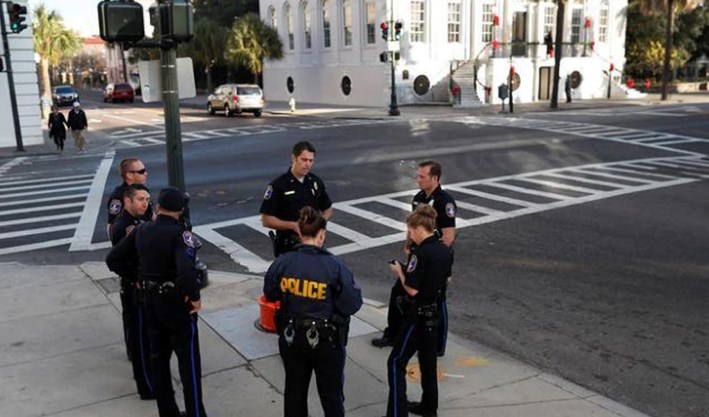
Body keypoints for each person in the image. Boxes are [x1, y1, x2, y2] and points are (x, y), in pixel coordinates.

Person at [106, 188, 208, 417]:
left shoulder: (141, 230)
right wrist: (195, 298)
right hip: (176, 306)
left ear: (158, 207)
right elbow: (186, 273)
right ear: (181, 211)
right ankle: (195, 413)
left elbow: (113, 259)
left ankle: (167, 411)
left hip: (150, 303)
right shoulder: (181, 235)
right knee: (189, 364)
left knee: (159, 361)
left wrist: (136, 279)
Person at [263, 206, 362, 417]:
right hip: (327, 340)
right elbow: (352, 304)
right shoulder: (335, 266)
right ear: (322, 235)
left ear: (299, 232)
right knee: (332, 397)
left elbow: (270, 295)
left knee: (294, 394)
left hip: (292, 339)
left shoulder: (282, 262)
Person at [372, 161, 456, 357]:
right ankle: (393, 334)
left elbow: (448, 236)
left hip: (434, 259)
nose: (417, 179)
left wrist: (438, 262)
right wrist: (408, 244)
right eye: (418, 175)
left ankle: (437, 345)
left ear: (435, 178)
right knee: (398, 292)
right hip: (417, 256)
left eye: (422, 176)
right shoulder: (418, 198)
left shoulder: (445, 201)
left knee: (437, 301)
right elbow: (412, 224)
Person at [383, 205, 453, 417]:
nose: (410, 235)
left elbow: (412, 289)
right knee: (428, 364)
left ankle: (396, 412)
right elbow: (446, 278)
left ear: (419, 228)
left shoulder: (420, 253)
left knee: (396, 362)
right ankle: (429, 408)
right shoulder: (444, 250)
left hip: (418, 317)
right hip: (435, 314)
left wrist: (399, 271)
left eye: (411, 231)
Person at [109, 184, 154, 400]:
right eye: (140, 199)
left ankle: (150, 377)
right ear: (128, 201)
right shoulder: (122, 226)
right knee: (139, 342)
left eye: (147, 199)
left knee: (147, 338)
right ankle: (146, 386)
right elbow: (115, 259)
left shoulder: (142, 220)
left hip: (144, 289)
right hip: (134, 292)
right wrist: (134, 279)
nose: (145, 203)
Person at [260, 141, 333, 257]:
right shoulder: (279, 185)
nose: (308, 164)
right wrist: (293, 226)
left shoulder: (315, 182)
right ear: (294, 158)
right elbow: (266, 219)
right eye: (304, 160)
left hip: (314, 246)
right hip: (288, 248)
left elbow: (328, 209)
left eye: (311, 160)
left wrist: (319, 224)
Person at [107, 158, 153, 237]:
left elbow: (150, 215)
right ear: (129, 175)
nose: (146, 173)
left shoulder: (143, 191)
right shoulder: (118, 196)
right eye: (141, 172)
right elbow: (111, 226)